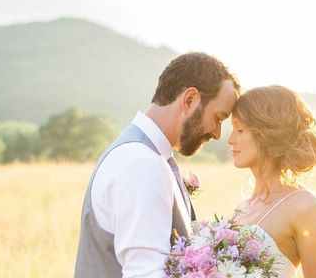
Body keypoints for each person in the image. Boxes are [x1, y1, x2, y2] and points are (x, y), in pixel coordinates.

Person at [74, 52, 240, 278]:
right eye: (218, 118)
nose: (218, 133)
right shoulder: (140, 163)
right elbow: (146, 274)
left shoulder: (144, 155)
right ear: (189, 100)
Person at [227, 85, 316, 278]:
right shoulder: (241, 209)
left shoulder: (304, 205)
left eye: (240, 129)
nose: (230, 139)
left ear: (267, 134)